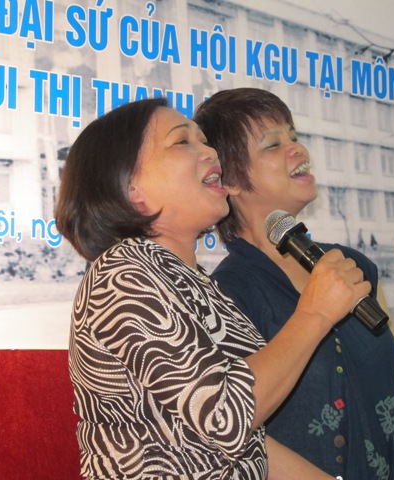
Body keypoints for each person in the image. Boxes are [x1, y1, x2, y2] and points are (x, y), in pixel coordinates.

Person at [55, 97, 372, 479]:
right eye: (182, 142)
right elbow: (226, 417)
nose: (209, 152)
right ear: (131, 187)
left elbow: (249, 444)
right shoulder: (123, 273)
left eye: (204, 141)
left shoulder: (194, 282)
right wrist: (316, 313)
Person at [194, 88, 394, 480]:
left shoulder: (353, 266)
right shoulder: (224, 294)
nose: (298, 150)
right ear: (229, 180)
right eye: (273, 144)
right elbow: (239, 435)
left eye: (294, 137)